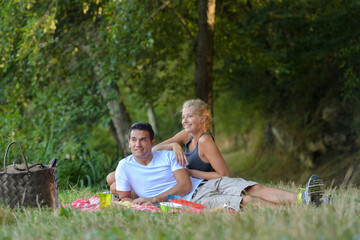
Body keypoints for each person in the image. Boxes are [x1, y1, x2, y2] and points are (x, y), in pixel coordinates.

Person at [114, 122, 325, 210]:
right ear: (129, 141)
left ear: (151, 143)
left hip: (200, 185)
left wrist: (153, 198)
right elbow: (123, 196)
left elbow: (185, 184)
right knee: (247, 200)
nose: (137, 144)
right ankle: (298, 210)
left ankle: (304, 198)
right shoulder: (124, 166)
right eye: (133, 140)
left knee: (253, 187)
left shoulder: (167, 156)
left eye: (142, 140)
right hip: (192, 200)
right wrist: (133, 202)